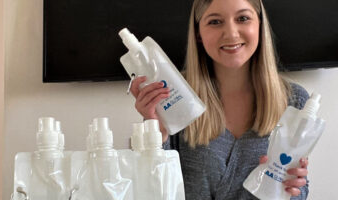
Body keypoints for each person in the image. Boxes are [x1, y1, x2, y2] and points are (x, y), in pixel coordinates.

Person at [129, 0, 309, 199]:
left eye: (243, 18)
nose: (231, 33)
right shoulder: (173, 96)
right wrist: (154, 133)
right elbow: (152, 189)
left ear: (259, 24)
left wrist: (293, 189)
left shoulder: (294, 101)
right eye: (215, 22)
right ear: (198, 33)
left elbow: (299, 191)